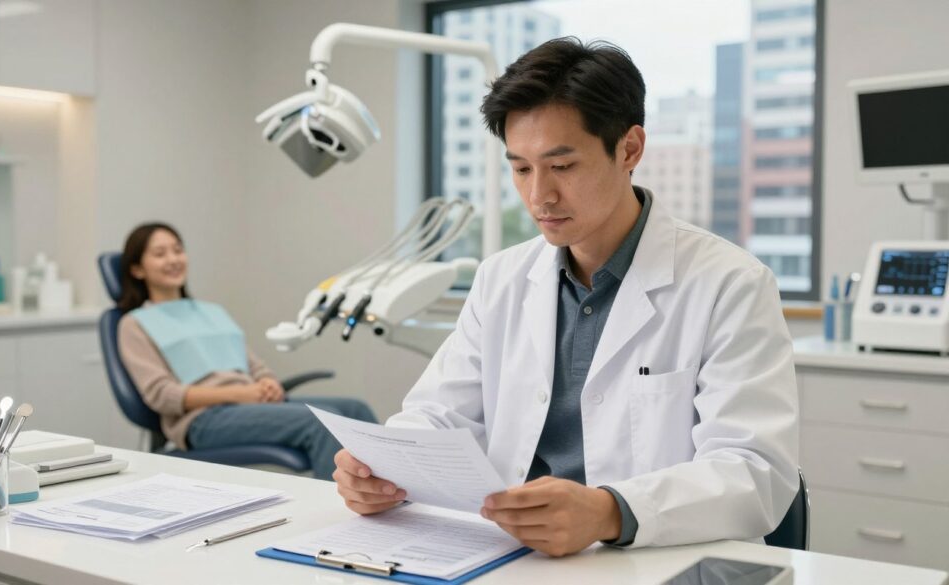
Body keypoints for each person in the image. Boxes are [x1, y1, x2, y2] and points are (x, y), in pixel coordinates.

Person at [332, 38, 799, 556]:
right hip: (513, 556)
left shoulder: (730, 284)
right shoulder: (500, 279)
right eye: (522, 168)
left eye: (563, 166)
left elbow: (756, 474)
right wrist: (382, 467)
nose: (539, 196)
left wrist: (609, 510)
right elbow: (440, 414)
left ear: (629, 149)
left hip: (658, 560)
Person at [116, 222, 377, 479]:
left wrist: (268, 382)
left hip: (248, 404)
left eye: (177, 250)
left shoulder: (211, 311)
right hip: (203, 419)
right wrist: (242, 393)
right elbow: (163, 395)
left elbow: (253, 364)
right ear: (138, 269)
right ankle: (346, 513)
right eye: (160, 254)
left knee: (355, 411)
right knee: (323, 422)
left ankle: (395, 503)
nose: (173, 259)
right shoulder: (135, 324)